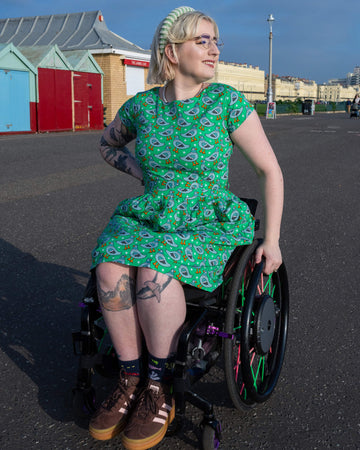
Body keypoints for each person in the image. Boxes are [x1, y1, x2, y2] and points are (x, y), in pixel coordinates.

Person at [88, 6, 284, 450]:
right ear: (172, 51)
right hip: (154, 210)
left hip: (207, 219)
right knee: (109, 266)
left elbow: (270, 172)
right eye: (204, 40)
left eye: (216, 41)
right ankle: (130, 377)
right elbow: (107, 144)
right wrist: (141, 174)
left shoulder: (226, 102)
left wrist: (270, 240)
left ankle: (158, 386)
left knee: (154, 271)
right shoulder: (142, 107)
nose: (215, 49)